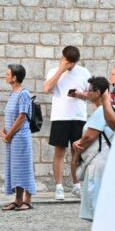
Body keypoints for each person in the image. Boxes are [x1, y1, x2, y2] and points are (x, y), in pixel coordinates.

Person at [44, 45, 92, 201]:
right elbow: (47, 88)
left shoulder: (84, 72)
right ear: (63, 58)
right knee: (59, 152)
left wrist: (79, 95)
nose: (71, 66)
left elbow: (91, 96)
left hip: (78, 116)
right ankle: (59, 187)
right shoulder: (53, 72)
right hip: (60, 117)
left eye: (73, 63)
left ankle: (76, 185)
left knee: (77, 152)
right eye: (68, 62)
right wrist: (61, 70)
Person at [72, 76, 115, 222]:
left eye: (89, 90)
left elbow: (89, 137)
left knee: (95, 199)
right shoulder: (107, 109)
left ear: (97, 92)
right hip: (103, 158)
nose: (86, 92)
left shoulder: (101, 111)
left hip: (98, 160)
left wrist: (77, 145)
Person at [0, 63, 36, 212]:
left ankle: (27, 200)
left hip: (20, 137)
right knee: (16, 169)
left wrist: (9, 134)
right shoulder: (12, 93)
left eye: (8, 74)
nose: (5, 76)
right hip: (12, 137)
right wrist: (3, 130)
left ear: (14, 77)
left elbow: (22, 117)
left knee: (24, 167)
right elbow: (9, 114)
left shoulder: (23, 94)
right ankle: (18, 199)